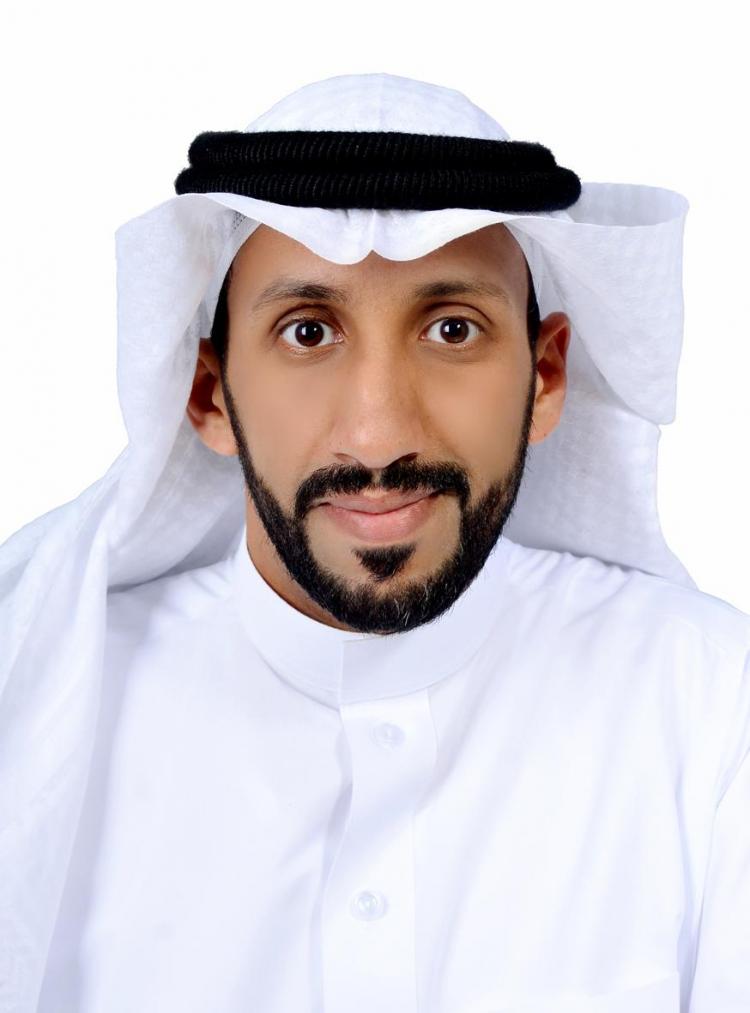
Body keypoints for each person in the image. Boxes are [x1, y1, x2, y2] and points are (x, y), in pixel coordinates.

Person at [2, 72, 748, 1013]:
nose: (379, 434)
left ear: (547, 375)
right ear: (207, 394)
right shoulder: (38, 707)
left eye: (452, 328)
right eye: (308, 331)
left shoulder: (711, 704)